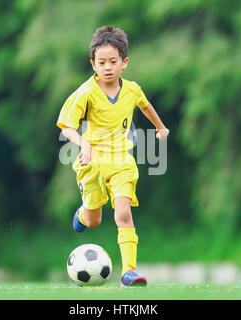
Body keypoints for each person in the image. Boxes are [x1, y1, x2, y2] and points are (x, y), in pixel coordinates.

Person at [57, 25, 169, 287]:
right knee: (94, 220)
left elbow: (145, 105)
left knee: (123, 214)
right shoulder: (85, 92)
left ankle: (129, 272)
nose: (107, 67)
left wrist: (160, 127)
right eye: (101, 62)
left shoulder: (131, 90)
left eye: (113, 61)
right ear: (93, 64)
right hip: (92, 163)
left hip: (122, 162)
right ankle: (84, 213)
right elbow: (66, 125)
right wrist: (83, 143)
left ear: (124, 63)